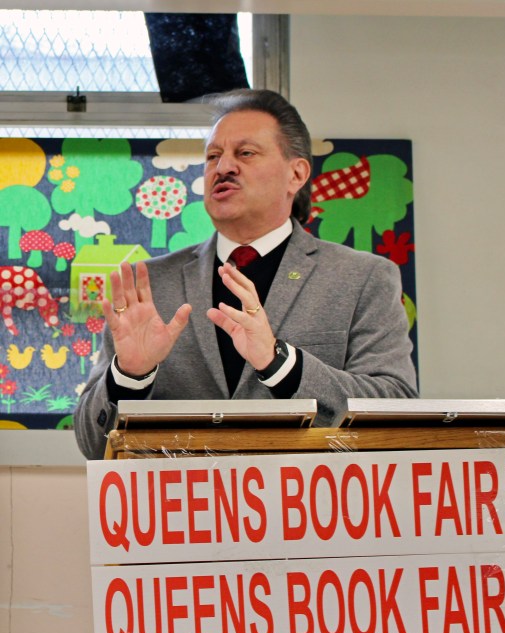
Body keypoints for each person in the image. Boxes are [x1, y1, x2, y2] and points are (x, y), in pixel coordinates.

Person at [74, 89, 418, 460]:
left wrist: (281, 363)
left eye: (246, 153)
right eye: (213, 156)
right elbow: (93, 445)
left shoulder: (363, 278)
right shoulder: (150, 285)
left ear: (296, 173)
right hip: (185, 512)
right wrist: (129, 376)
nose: (223, 168)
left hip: (306, 513)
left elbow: (395, 409)